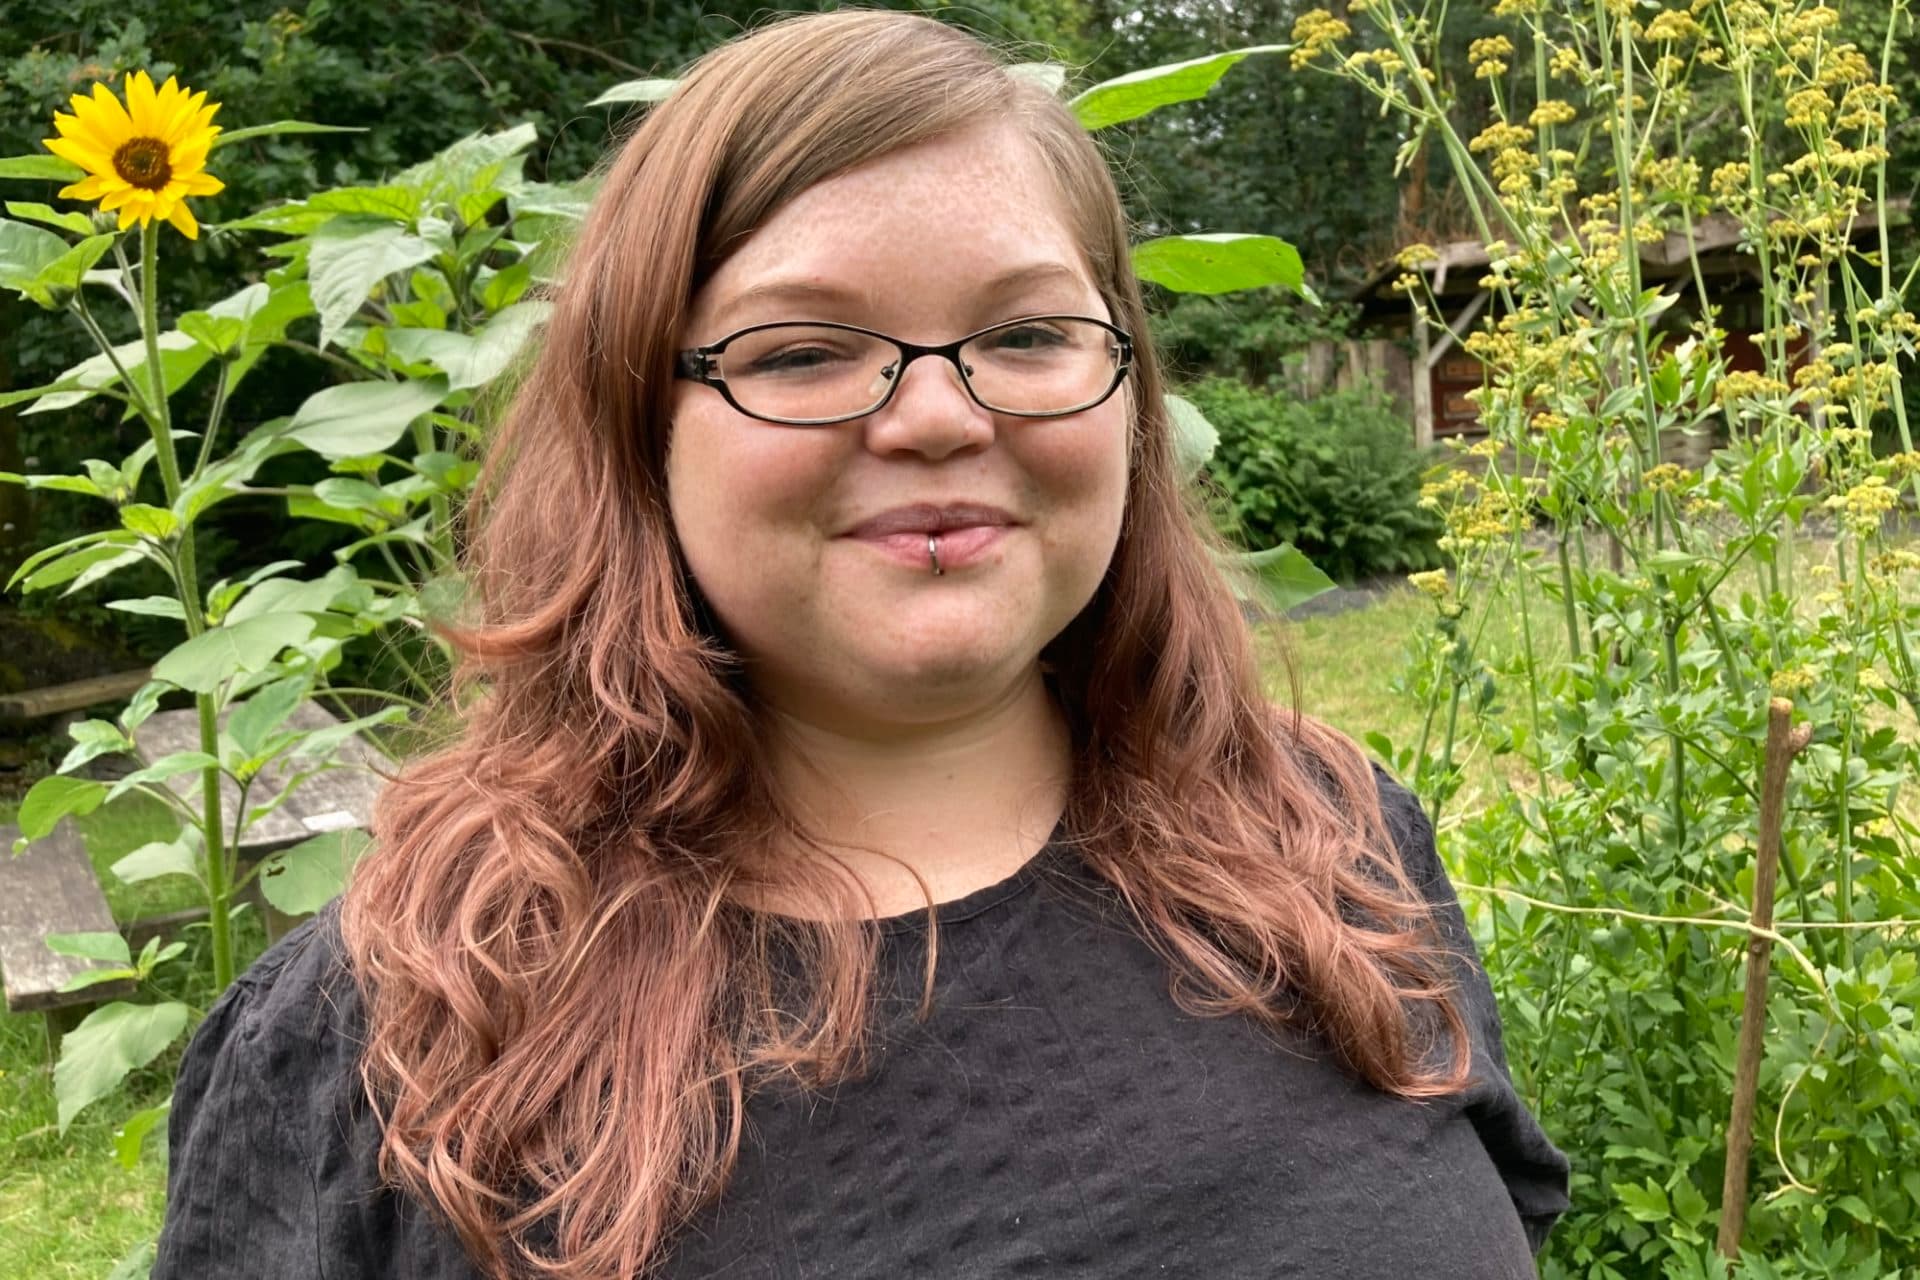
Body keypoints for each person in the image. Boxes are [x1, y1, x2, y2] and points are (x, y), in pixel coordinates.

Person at [152, 11, 1569, 1279]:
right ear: (637, 426)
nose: (940, 416)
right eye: (800, 352)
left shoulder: (1332, 841)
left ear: (1127, 390)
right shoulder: (389, 1034)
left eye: (1028, 335)